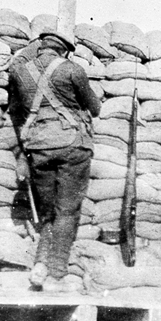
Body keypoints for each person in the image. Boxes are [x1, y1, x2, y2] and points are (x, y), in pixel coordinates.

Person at [8, 31, 101, 292]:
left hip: (38, 148)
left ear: (41, 47)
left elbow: (16, 111)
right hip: (73, 145)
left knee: (48, 211)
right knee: (67, 211)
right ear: (64, 51)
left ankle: (40, 264)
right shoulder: (73, 69)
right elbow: (95, 108)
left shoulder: (20, 72)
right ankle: (57, 274)